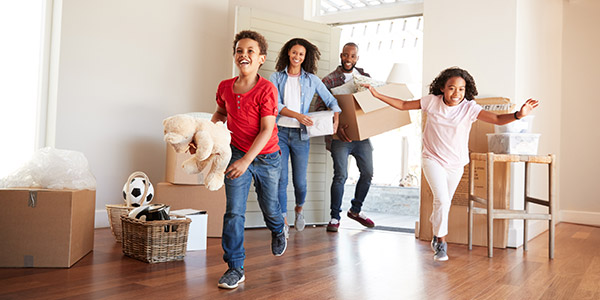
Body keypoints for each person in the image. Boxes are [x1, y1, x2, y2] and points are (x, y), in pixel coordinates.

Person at [364, 67, 539, 261]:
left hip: (456, 163)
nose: (456, 93)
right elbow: (404, 105)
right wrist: (376, 94)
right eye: (452, 88)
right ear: (442, 88)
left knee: (443, 203)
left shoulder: (469, 108)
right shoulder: (432, 101)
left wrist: (518, 115)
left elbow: (497, 119)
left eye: (461, 89)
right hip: (432, 159)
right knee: (443, 201)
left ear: (467, 90)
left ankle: (435, 227)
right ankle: (441, 243)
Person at [211, 30, 287, 289]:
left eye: (250, 51)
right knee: (234, 213)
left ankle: (278, 229)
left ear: (261, 59)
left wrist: (247, 162)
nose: (244, 55)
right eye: (239, 51)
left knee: (271, 209)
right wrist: (206, 139)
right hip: (237, 154)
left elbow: (267, 130)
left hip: (266, 158)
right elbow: (220, 113)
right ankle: (235, 267)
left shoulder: (267, 89)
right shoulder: (224, 87)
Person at [269, 38, 342, 233]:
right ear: (288, 53)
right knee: (281, 180)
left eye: (301, 54)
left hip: (301, 136)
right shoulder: (276, 78)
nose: (297, 57)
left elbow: (331, 100)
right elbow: (275, 105)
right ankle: (283, 221)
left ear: (305, 57)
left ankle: (299, 209)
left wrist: (335, 119)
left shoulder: (312, 79)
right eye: (294, 53)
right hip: (280, 134)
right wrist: (298, 116)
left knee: (300, 181)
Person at [316, 42, 376, 232]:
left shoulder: (366, 79)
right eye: (345, 55)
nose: (348, 59)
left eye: (352, 56)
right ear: (340, 55)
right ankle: (335, 217)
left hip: (362, 136)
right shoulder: (329, 80)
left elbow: (371, 106)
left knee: (368, 173)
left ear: (357, 58)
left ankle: (355, 210)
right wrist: (336, 129)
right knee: (340, 175)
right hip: (339, 138)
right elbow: (319, 109)